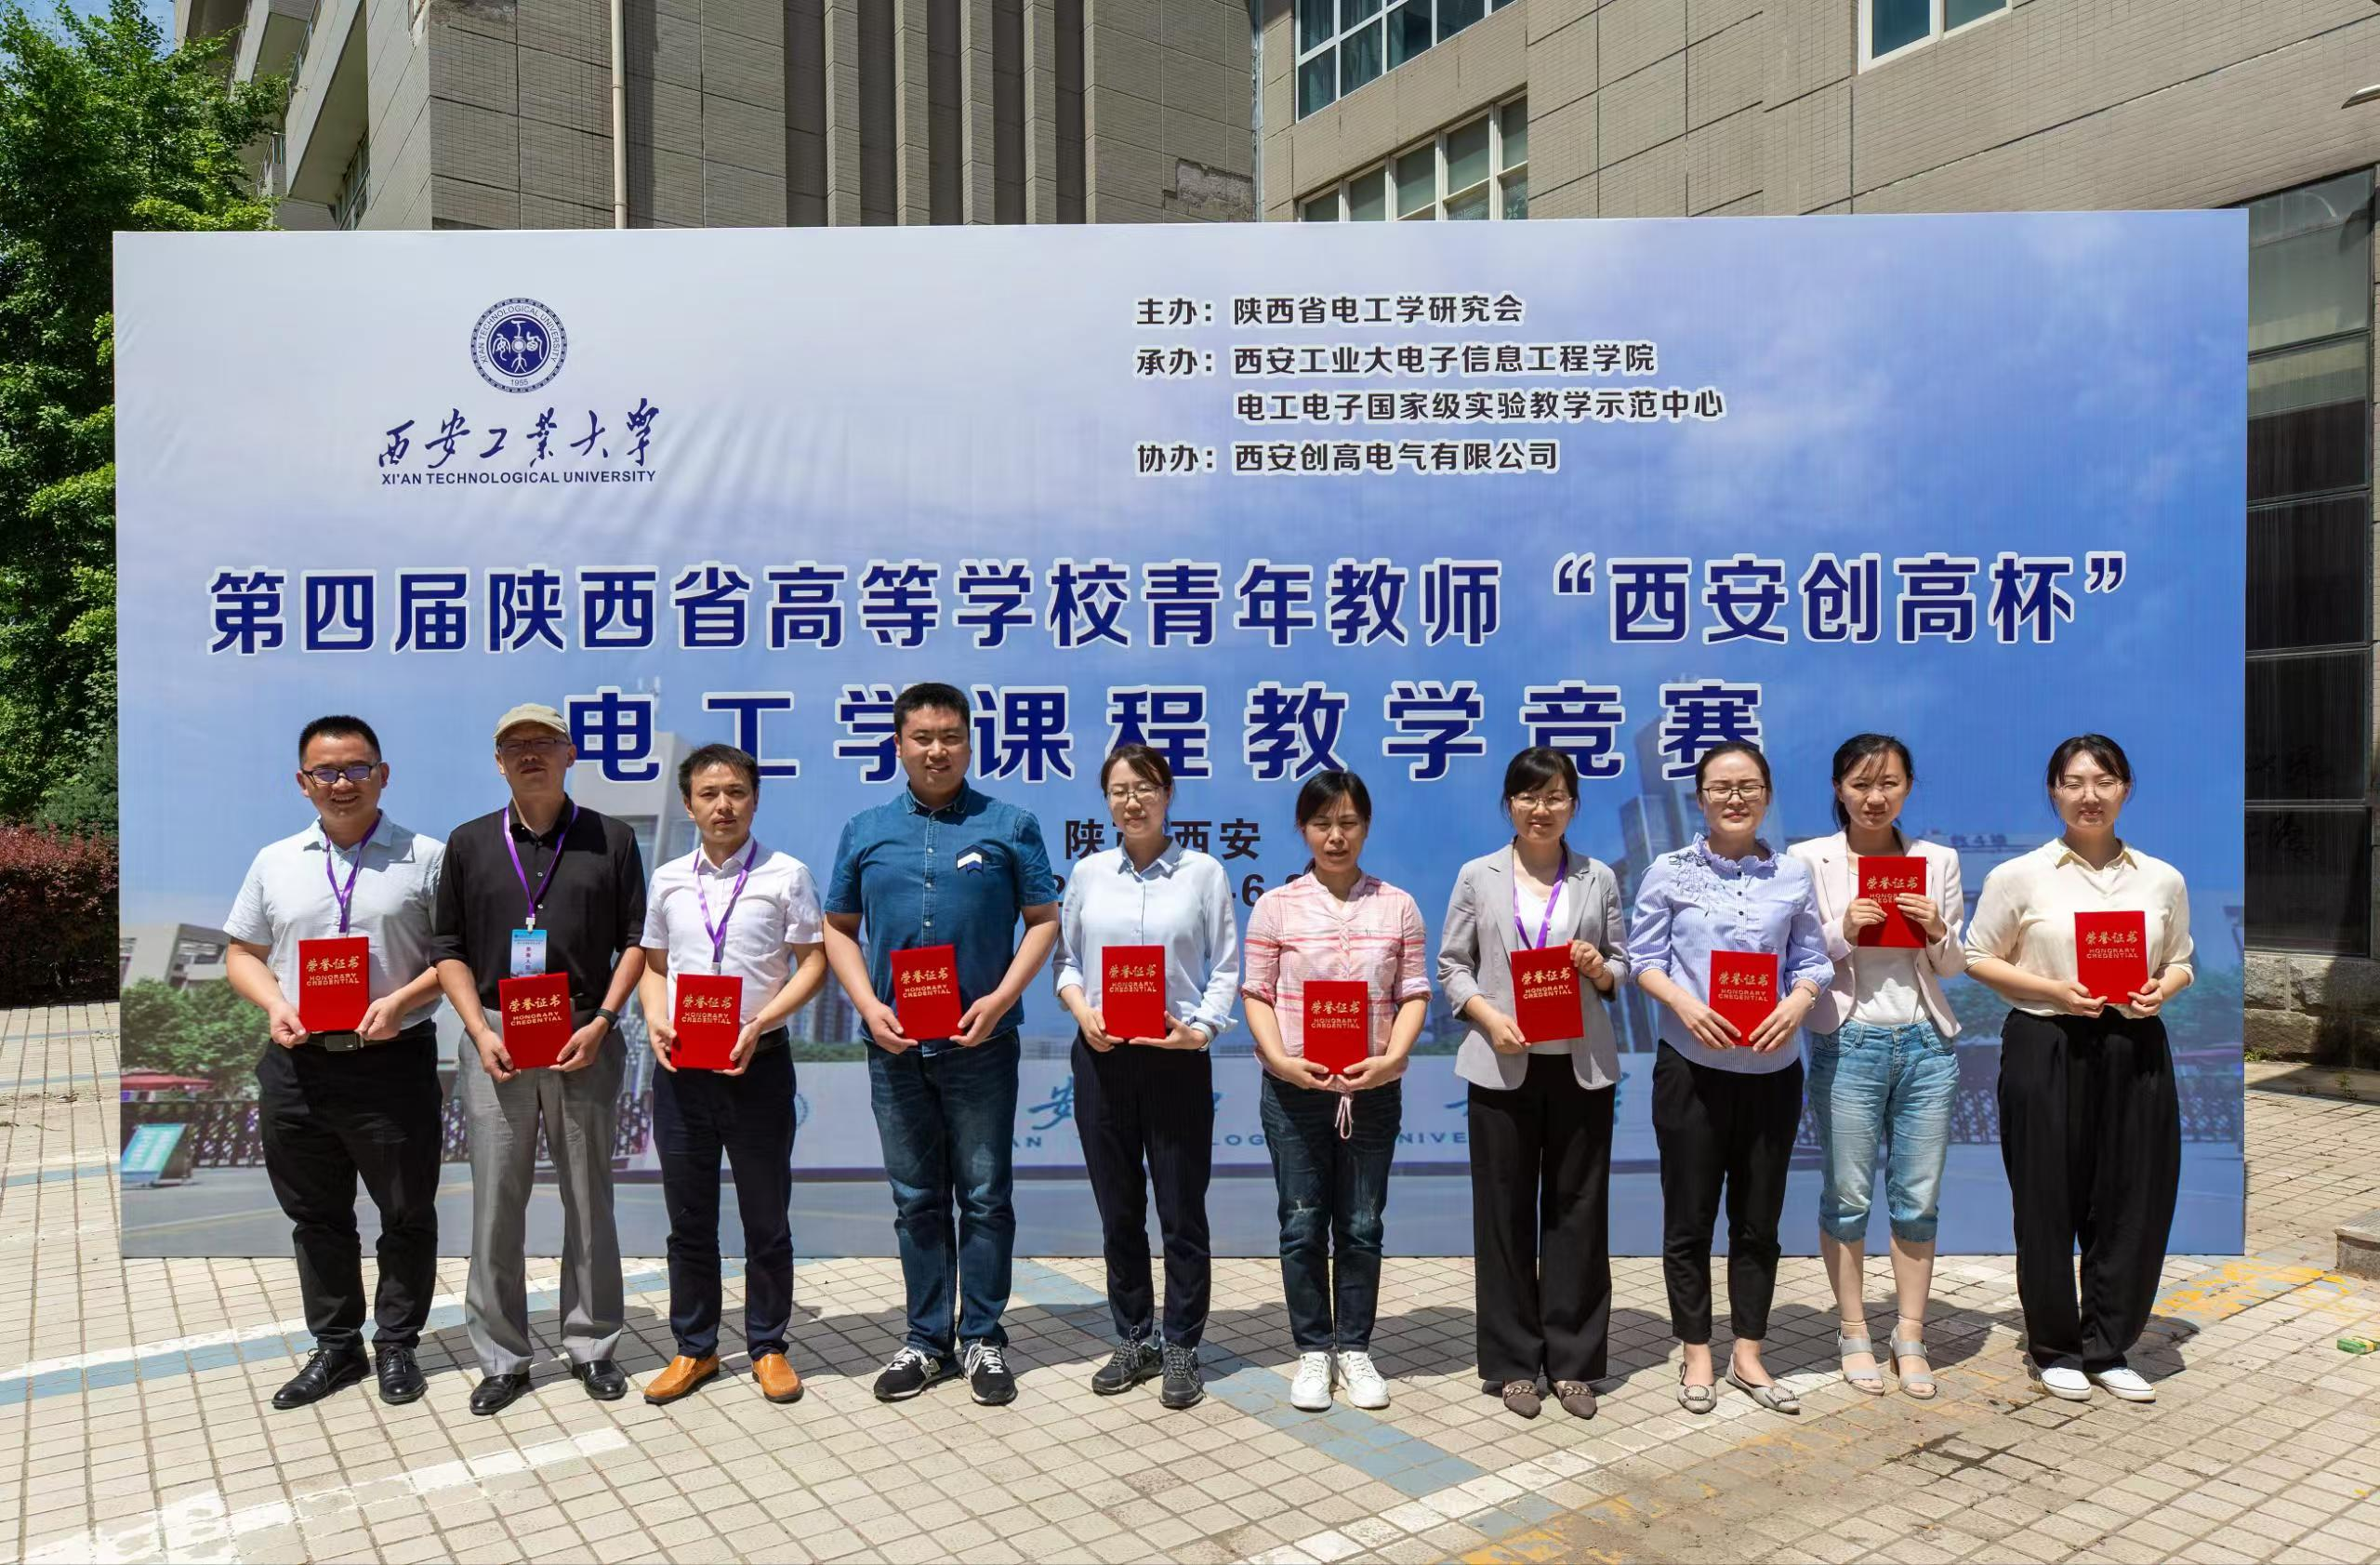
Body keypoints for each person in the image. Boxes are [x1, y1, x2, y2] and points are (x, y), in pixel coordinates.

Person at [823, 683, 1060, 1407]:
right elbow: (838, 927)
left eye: (951, 736)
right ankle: (927, 1339)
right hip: (895, 1044)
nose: (937, 750)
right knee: (916, 1199)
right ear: (898, 744)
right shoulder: (864, 829)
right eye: (922, 737)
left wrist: (1001, 999)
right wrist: (869, 1006)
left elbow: (1043, 919)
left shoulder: (1010, 824)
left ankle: (983, 1335)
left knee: (985, 1196)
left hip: (980, 1042)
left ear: (970, 743)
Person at [223, 715, 445, 1410]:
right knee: (317, 1215)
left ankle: (398, 1342)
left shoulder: (428, 858)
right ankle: (337, 1346)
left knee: (405, 1211)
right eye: (326, 771)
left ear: (383, 774)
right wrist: (273, 1003)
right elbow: (242, 953)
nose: (342, 782)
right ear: (303, 781)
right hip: (298, 1062)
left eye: (356, 768)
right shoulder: (275, 861)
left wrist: (402, 1000)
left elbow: (457, 957)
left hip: (392, 1061)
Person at [431, 703, 648, 1416]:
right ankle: (502, 1356)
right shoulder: (468, 843)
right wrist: (477, 1028)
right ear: (498, 761)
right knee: (496, 1202)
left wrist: (606, 1020)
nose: (530, 753)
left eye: (544, 742)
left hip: (582, 1032)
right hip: (495, 1033)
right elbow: (448, 948)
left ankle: (593, 1344)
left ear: (569, 753)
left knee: (590, 1198)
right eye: (515, 745)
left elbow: (636, 941)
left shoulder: (611, 839)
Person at [1964, 734, 2192, 1405]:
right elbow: (1978, 956)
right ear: (2054, 791)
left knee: (2131, 1196)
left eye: (2104, 781)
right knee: (2045, 1197)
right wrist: (2054, 991)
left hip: (2134, 1043)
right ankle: (2055, 1346)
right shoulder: (2020, 875)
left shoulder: (2162, 877)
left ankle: (2109, 1345)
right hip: (2046, 1041)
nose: (2089, 795)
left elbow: (2181, 959)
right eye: (2074, 782)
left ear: (2125, 789)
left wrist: (2163, 989)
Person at [1629, 740, 1831, 1416]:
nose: (1734, 797)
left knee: (1758, 1221)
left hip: (1772, 1068)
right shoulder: (1668, 871)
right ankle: (1696, 1351)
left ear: (1766, 795)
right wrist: (1685, 1005)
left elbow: (1811, 958)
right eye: (1720, 787)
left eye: (1748, 786)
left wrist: (1796, 1004)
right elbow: (1644, 959)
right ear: (1700, 798)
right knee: (1688, 1219)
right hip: (1691, 1067)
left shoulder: (1794, 874)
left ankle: (1749, 1352)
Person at [1438, 746, 1628, 1421]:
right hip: (1502, 1064)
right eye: (1527, 795)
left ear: (1573, 804)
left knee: (1578, 1211)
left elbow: (1622, 963)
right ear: (1509, 803)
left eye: (1554, 796)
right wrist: (1488, 1017)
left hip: (1580, 1065)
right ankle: (1514, 1362)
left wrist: (1598, 967)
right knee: (1504, 1214)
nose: (1540, 808)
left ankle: (1574, 1361)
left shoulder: (1598, 877)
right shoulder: (1477, 875)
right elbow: (1452, 965)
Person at [635, 744, 826, 1408]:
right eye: (709, 794)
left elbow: (812, 961)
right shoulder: (666, 879)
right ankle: (695, 1346)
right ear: (688, 805)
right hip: (682, 1068)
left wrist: (763, 1019)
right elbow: (654, 965)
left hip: (758, 1064)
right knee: (689, 1218)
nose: (724, 805)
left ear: (755, 799)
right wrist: (655, 1018)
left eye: (737, 792)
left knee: (765, 1215)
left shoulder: (787, 874)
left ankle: (768, 1344)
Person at [1052, 743, 1240, 1412]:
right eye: (1119, 790)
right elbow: (1067, 962)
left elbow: (1226, 966)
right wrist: (1083, 1012)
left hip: (1175, 1057)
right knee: (1119, 1210)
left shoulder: (1203, 873)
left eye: (1146, 788)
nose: (1132, 801)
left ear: (1168, 795)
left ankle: (1183, 1342)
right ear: (1106, 801)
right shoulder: (1088, 873)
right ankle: (1134, 1336)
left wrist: (1201, 1030)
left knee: (1182, 1210)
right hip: (1102, 1057)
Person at [1240, 769, 1430, 1413]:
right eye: (1322, 823)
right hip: (1293, 1091)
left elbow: (1413, 992)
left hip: (1372, 1089)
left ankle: (1355, 1347)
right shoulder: (1276, 906)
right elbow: (1256, 993)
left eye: (1348, 822)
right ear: (1304, 829)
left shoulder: (1398, 905)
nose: (1335, 835)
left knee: (1362, 1224)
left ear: (1366, 827)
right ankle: (1313, 1351)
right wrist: (1280, 1060)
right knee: (1300, 1224)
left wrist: (1393, 1057)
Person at [1787, 736, 1966, 1400]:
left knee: (1917, 1198)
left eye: (1888, 783)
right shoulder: (1808, 859)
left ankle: (1910, 1334)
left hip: (1926, 1043)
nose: (1874, 797)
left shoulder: (1936, 860)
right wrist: (1843, 929)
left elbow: (1954, 965)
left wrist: (1938, 929)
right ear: (1838, 789)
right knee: (1848, 1196)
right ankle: (1854, 1329)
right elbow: (1799, 955)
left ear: (1908, 787)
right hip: (1848, 1041)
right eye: (1861, 784)